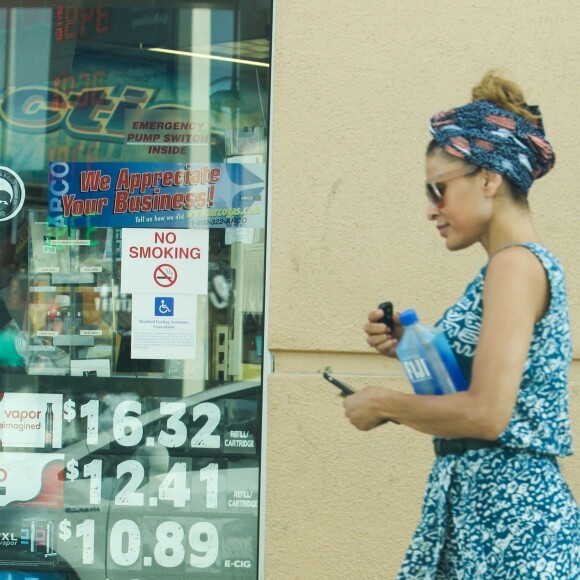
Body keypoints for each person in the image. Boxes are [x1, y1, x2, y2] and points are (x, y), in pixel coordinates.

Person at [343, 71, 580, 579]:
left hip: (511, 528)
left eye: (440, 189)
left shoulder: (514, 266)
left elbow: (487, 414)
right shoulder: (508, 267)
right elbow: (486, 388)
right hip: (491, 517)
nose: (432, 209)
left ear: (489, 179)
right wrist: (413, 346)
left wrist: (383, 403)